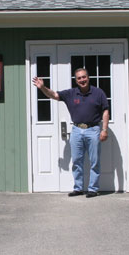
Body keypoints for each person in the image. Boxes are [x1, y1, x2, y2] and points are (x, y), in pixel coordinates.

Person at [32, 68, 109, 198]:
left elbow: (105, 111)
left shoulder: (98, 93)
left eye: (84, 77)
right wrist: (42, 87)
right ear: (76, 80)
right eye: (79, 78)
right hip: (77, 130)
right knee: (77, 161)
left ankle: (93, 189)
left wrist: (104, 130)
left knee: (94, 161)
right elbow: (54, 95)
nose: (82, 80)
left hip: (93, 130)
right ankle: (78, 188)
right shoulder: (71, 93)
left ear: (88, 78)